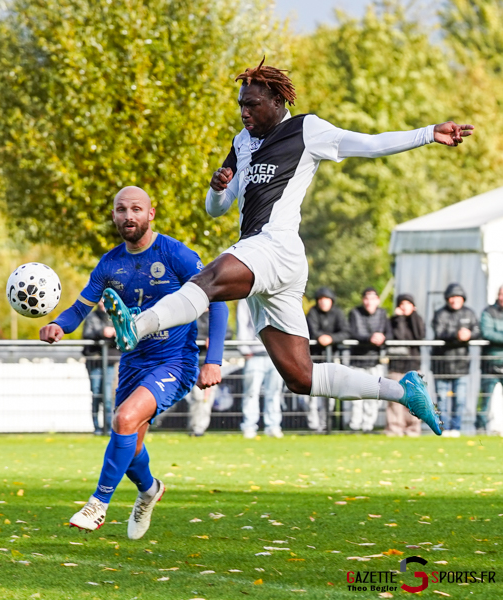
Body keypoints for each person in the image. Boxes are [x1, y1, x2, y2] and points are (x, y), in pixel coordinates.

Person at [104, 59, 473, 436]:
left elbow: (371, 145)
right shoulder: (242, 142)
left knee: (208, 280)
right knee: (301, 376)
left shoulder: (307, 130)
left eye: (252, 105)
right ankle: (403, 391)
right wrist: (216, 189)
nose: (244, 113)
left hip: (276, 246)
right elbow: (216, 210)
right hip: (262, 257)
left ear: (278, 101)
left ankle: (139, 324)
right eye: (241, 105)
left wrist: (429, 132)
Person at [39, 186, 228, 540]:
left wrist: (212, 360)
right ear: (114, 215)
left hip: (174, 360)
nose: (129, 216)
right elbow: (80, 308)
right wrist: (58, 326)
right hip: (134, 362)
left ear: (150, 214)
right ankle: (150, 490)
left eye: (136, 209)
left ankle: (98, 504)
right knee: (131, 445)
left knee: (124, 419)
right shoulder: (110, 263)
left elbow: (218, 300)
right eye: (121, 209)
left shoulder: (176, 255)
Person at [432, 283, 480, 436]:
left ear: (463, 298)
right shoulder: (440, 314)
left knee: (460, 400)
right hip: (442, 365)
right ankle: (444, 429)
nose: (454, 300)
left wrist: (470, 335)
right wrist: (457, 335)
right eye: (451, 297)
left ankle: (456, 429)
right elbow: (439, 332)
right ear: (447, 299)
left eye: (457, 297)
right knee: (442, 401)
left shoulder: (470, 313)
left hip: (462, 365)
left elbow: (478, 330)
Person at [238, 298, 284, 438]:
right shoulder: (246, 299)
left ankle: (273, 426)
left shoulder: (279, 297)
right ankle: (249, 426)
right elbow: (242, 323)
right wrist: (244, 349)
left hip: (275, 354)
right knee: (251, 392)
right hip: (254, 354)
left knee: (275, 393)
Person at [347, 287, 391, 432]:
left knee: (374, 396)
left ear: (377, 300)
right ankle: (355, 426)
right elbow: (353, 333)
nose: (369, 302)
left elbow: (389, 334)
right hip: (357, 362)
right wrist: (370, 338)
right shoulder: (354, 313)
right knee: (356, 396)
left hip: (375, 362)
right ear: (363, 300)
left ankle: (368, 426)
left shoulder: (383, 314)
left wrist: (382, 338)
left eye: (372, 298)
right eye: (366, 298)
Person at [305, 286, 347, 431]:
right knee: (312, 395)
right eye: (321, 299)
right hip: (313, 360)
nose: (323, 302)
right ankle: (314, 426)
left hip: (331, 360)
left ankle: (326, 424)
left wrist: (331, 338)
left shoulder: (338, 313)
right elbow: (311, 330)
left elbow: (345, 332)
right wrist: (320, 337)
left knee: (329, 394)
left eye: (326, 299)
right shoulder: (312, 313)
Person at [386, 294, 425, 436]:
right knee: (394, 400)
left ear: (413, 306)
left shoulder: (418, 319)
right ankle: (395, 429)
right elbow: (399, 337)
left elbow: (419, 335)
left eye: (407, 303)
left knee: (414, 399)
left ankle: (413, 429)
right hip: (396, 366)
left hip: (413, 366)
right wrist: (400, 319)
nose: (404, 306)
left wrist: (411, 316)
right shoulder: (393, 321)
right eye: (401, 303)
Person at [82, 300, 118, 435]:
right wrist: (102, 332)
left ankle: (109, 427)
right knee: (97, 393)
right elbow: (87, 334)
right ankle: (97, 428)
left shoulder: (115, 316)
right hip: (95, 361)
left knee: (108, 396)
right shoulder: (92, 317)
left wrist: (115, 332)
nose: (103, 303)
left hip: (110, 361)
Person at [479, 285, 503, 433]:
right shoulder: (489, 312)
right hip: (491, 362)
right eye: (501, 294)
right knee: (485, 401)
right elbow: (487, 332)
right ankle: (480, 430)